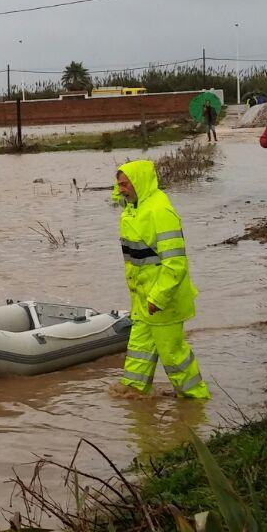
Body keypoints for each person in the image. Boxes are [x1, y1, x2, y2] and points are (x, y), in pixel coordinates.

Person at [114, 160, 210, 399]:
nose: (121, 189)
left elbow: (175, 263)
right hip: (142, 300)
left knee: (172, 355)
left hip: (164, 301)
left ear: (139, 182)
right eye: (119, 185)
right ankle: (133, 396)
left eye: (125, 184)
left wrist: (158, 297)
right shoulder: (132, 210)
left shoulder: (160, 211)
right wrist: (140, 296)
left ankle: (195, 400)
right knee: (139, 351)